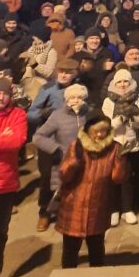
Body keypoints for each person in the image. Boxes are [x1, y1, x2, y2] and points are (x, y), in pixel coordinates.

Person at [55, 112, 129, 268]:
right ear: (89, 130)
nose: (101, 135)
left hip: (98, 207)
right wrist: (73, 163)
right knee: (70, 251)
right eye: (97, 131)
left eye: (104, 131)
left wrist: (121, 160)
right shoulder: (77, 146)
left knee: (97, 250)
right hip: (74, 207)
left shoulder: (114, 149)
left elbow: (117, 178)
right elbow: (63, 175)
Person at [26, 57, 79, 231]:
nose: (64, 75)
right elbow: (31, 114)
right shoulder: (48, 89)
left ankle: (67, 210)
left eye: (68, 72)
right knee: (47, 177)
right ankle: (45, 212)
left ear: (75, 74)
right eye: (61, 71)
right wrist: (44, 113)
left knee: (72, 175)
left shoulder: (78, 89)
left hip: (71, 140)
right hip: (49, 140)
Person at [0, 77, 27, 277]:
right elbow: (7, 142)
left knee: (0, 232)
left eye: (4, 93)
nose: (1, 97)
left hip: (5, 181)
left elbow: (17, 142)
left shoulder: (18, 115)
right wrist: (2, 139)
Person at [32, 84, 89, 227]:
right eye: (72, 97)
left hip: (85, 159)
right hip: (64, 159)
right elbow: (38, 137)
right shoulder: (58, 115)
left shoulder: (88, 113)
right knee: (56, 189)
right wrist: (55, 149)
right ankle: (45, 213)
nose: (76, 100)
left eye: (79, 97)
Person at [101, 67, 139, 226]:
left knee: (128, 178)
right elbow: (106, 125)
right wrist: (120, 118)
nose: (122, 84)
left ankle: (127, 209)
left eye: (125, 81)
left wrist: (132, 118)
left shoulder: (137, 97)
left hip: (131, 143)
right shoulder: (108, 100)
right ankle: (114, 210)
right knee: (113, 178)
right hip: (114, 144)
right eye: (119, 81)